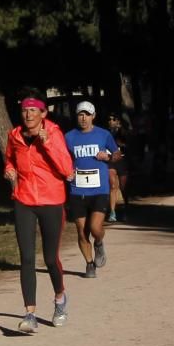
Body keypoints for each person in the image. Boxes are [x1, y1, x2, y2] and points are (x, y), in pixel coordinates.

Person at [3, 94, 74, 333]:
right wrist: (10, 171)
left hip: (51, 200)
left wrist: (48, 144)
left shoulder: (54, 133)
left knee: (51, 258)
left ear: (44, 114)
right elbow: (9, 160)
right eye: (25, 110)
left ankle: (60, 299)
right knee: (27, 258)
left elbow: (67, 170)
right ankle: (30, 314)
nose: (28, 114)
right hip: (24, 200)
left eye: (34, 110)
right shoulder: (14, 135)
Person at [65, 101, 119, 278]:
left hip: (99, 189)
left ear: (93, 116)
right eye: (80, 114)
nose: (83, 118)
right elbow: (62, 158)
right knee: (82, 231)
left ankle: (99, 242)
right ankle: (89, 264)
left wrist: (108, 156)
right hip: (77, 189)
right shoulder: (69, 137)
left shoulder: (103, 134)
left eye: (87, 114)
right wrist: (66, 171)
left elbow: (117, 154)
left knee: (95, 228)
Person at [105, 110, 131, 222]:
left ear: (118, 121)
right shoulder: (105, 133)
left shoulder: (123, 132)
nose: (111, 121)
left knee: (123, 188)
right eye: (109, 119)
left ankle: (125, 210)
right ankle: (112, 212)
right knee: (112, 186)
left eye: (113, 119)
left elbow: (128, 144)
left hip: (122, 161)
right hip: (111, 161)